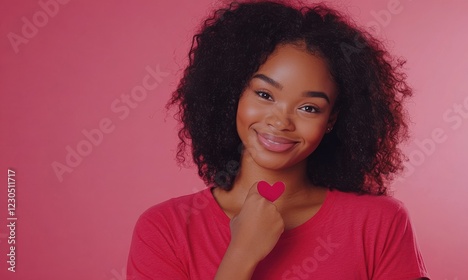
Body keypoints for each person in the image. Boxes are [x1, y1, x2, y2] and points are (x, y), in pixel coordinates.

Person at [127, 0, 430, 279]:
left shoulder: (379, 224)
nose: (280, 121)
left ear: (331, 120)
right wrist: (241, 255)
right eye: (264, 95)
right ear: (233, 94)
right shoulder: (166, 229)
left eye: (309, 108)